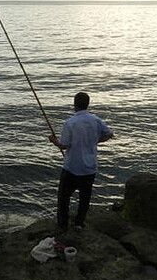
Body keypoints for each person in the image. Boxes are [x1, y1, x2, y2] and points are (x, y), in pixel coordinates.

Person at [48, 91, 114, 231]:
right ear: (87, 104)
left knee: (64, 198)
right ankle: (79, 223)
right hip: (89, 167)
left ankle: (63, 224)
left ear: (74, 104)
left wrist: (53, 141)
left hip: (72, 167)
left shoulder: (70, 123)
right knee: (85, 198)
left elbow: (64, 145)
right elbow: (109, 134)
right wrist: (96, 141)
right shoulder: (95, 120)